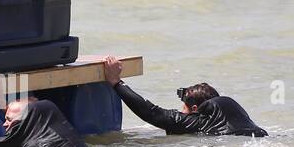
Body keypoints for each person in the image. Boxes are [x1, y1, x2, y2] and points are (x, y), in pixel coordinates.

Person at [101, 57, 267, 137]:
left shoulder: (199, 121)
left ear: (195, 109)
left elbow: (151, 113)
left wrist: (116, 81)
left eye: (184, 109)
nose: (182, 112)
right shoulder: (240, 118)